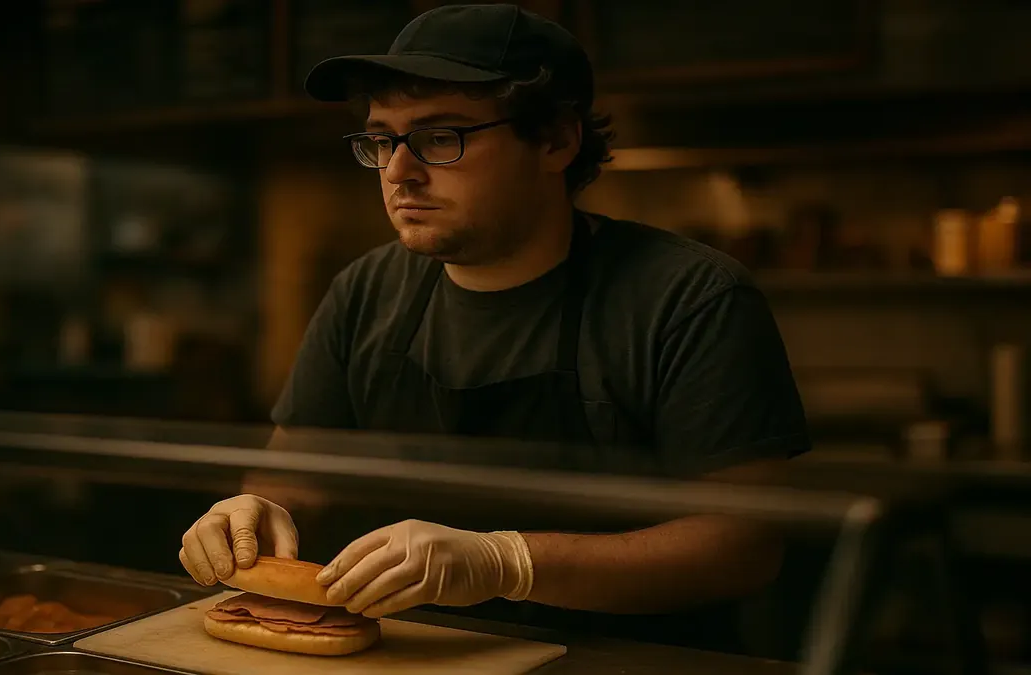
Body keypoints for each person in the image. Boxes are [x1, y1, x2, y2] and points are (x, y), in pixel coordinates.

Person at [181, 3, 809, 633]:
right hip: (418, 655)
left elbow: (742, 546)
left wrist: (507, 562)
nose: (399, 171)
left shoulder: (690, 297)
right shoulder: (366, 290)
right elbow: (299, 472)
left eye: (439, 137)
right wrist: (257, 510)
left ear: (556, 140)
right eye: (381, 139)